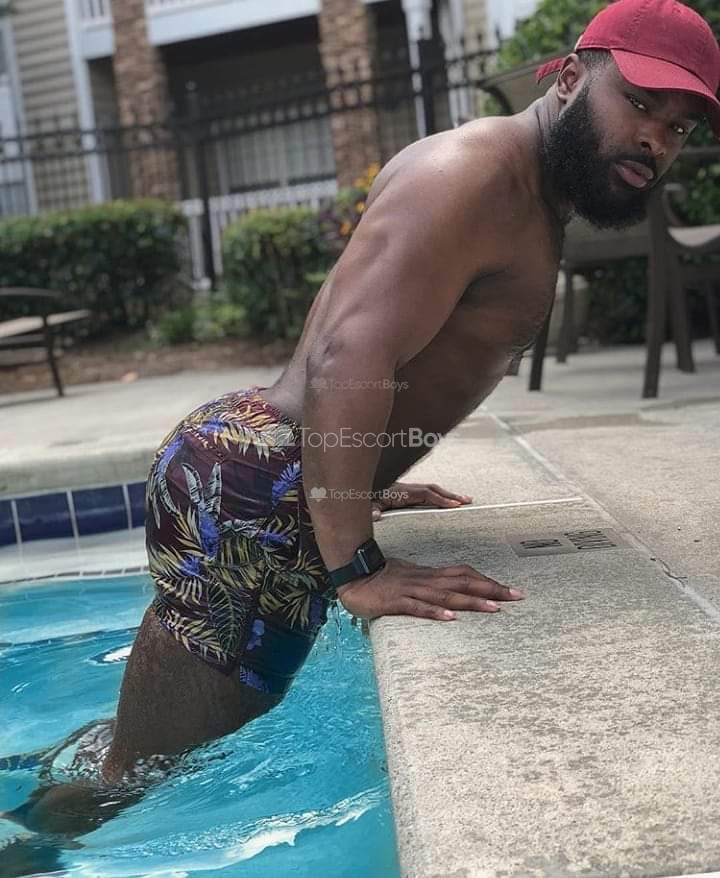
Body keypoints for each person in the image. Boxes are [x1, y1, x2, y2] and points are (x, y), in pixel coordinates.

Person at [5, 0, 719, 849]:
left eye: (678, 127)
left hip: (254, 477)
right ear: (568, 77)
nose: (654, 139)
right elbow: (350, 353)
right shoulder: (477, 176)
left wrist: (359, 474)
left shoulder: (514, 181)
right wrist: (355, 566)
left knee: (130, 756)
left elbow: (380, 336)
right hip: (260, 503)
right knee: (123, 793)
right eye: (638, 103)